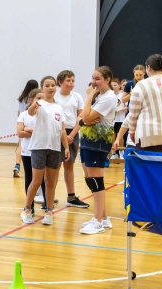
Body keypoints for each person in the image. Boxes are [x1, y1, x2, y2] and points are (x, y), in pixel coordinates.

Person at [20, 76, 69, 225]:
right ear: (42, 88)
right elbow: (30, 113)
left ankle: (49, 211)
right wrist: (33, 106)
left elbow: (61, 130)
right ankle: (27, 209)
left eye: (53, 85)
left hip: (54, 148)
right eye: (47, 85)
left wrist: (66, 147)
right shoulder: (38, 104)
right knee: (36, 180)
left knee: (50, 182)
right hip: (39, 147)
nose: (51, 88)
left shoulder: (59, 108)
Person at [77, 66, 118, 234]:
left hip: (99, 142)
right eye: (93, 78)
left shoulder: (108, 98)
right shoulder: (99, 96)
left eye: (97, 79)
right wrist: (84, 121)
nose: (94, 82)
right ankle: (104, 218)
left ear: (107, 79)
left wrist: (88, 97)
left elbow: (86, 116)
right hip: (87, 140)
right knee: (89, 178)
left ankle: (98, 222)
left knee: (96, 180)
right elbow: (83, 118)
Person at [54, 70, 89, 208]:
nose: (71, 83)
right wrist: (63, 136)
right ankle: (48, 195)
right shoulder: (55, 97)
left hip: (72, 132)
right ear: (60, 82)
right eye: (68, 80)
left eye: (73, 80)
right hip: (57, 133)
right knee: (54, 166)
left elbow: (81, 117)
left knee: (69, 165)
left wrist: (72, 135)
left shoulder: (77, 96)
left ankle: (71, 197)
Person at [17, 88, 47, 216]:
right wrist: (32, 130)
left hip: (42, 150)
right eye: (38, 98)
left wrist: (29, 130)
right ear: (31, 100)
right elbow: (20, 133)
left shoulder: (45, 114)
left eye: (42, 98)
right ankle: (30, 206)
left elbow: (46, 132)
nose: (41, 101)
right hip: (27, 153)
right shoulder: (23, 115)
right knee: (29, 179)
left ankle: (47, 203)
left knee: (44, 179)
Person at [127, 53, 162, 152]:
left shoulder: (141, 85)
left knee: (148, 167)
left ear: (148, 67)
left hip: (147, 136)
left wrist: (132, 132)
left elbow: (133, 113)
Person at [14, 80, 39, 177]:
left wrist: (20, 124)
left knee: (21, 145)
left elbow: (19, 112)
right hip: (31, 121)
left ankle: (17, 165)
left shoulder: (21, 98)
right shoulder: (33, 98)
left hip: (23, 122)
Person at [110, 77, 128, 159]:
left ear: (119, 85)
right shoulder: (110, 95)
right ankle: (114, 153)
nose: (113, 86)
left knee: (119, 136)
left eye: (115, 85)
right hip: (112, 120)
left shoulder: (122, 95)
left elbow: (127, 107)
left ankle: (121, 151)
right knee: (113, 136)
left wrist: (119, 110)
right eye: (112, 85)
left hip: (121, 119)